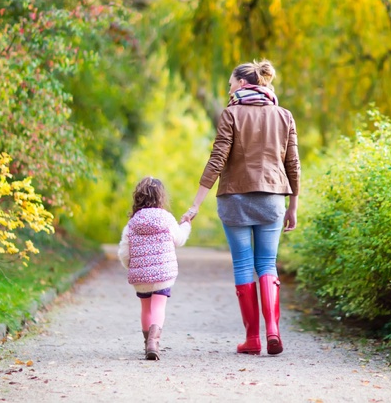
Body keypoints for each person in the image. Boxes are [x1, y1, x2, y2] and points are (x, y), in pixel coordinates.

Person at [181, 59, 299, 356]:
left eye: (231, 83)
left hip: (235, 198)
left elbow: (217, 159)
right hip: (273, 198)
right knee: (267, 264)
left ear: (244, 84)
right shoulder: (284, 116)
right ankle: (273, 330)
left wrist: (195, 204)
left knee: (244, 265)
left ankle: (253, 339)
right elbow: (293, 164)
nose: (229, 88)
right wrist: (293, 205)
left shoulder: (231, 114)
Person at [118, 176, 192, 360]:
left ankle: (146, 344)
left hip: (141, 276)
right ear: (161, 198)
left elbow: (124, 251)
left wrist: (131, 265)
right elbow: (179, 239)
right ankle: (154, 343)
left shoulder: (132, 223)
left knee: (145, 308)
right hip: (162, 275)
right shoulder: (166, 219)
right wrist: (186, 225)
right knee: (158, 306)